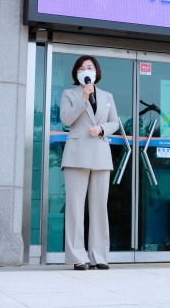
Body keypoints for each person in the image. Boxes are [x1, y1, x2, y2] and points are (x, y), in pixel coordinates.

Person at [60, 55, 119, 270]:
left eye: (90, 67)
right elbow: (66, 119)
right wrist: (83, 98)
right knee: (75, 208)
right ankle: (78, 256)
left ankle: (99, 256)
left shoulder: (107, 96)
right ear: (76, 73)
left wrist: (102, 129)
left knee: (99, 208)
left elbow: (115, 122)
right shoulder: (69, 94)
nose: (86, 70)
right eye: (82, 68)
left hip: (101, 155)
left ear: (96, 72)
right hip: (76, 155)